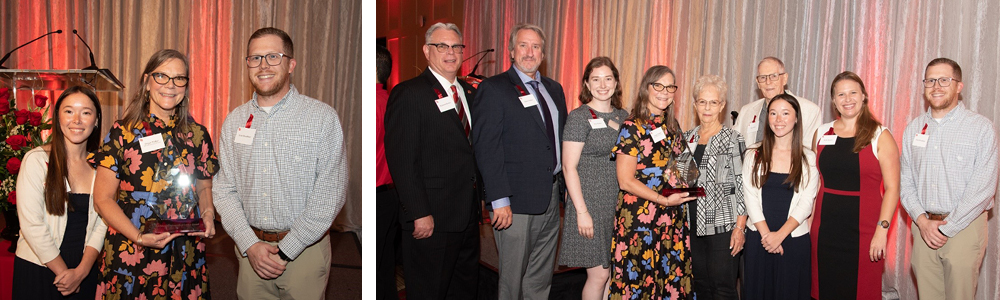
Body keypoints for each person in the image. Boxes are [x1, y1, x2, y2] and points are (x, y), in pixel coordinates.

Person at [213, 27, 347, 299]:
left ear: (291, 64)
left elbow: (329, 194)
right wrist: (250, 244)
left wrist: (287, 249)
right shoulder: (234, 122)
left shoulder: (321, 118)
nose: (263, 65)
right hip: (251, 252)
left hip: (305, 253)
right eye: (255, 58)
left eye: (273, 56)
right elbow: (224, 190)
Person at [92, 49, 217, 299]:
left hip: (184, 247)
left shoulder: (199, 135)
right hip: (132, 244)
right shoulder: (122, 133)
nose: (170, 86)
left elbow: (203, 187)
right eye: (162, 76)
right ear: (147, 82)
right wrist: (138, 237)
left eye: (179, 78)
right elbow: (102, 199)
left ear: (186, 86)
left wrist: (209, 213)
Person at [384, 22, 481, 299]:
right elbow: (402, 160)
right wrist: (418, 212)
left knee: (463, 290)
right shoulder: (410, 93)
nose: (450, 53)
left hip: (467, 217)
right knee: (429, 292)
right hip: (431, 219)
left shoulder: (469, 93)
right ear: (427, 51)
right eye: (442, 46)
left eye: (456, 46)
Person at [471, 23, 567, 299]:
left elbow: (557, 140)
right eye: (523, 45)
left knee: (540, 277)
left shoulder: (554, 89)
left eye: (536, 46)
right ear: (511, 51)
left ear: (543, 54)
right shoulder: (494, 88)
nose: (529, 52)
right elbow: (486, 147)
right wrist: (499, 199)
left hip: (550, 196)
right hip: (513, 201)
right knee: (512, 280)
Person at [900, 58, 998, 300]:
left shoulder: (981, 128)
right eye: (930, 80)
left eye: (944, 80)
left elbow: (983, 188)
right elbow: (906, 182)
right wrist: (922, 222)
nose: (936, 86)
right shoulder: (913, 129)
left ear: (959, 86)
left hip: (963, 227)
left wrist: (949, 227)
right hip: (923, 229)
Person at [609, 65, 696, 299]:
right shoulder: (632, 126)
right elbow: (625, 181)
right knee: (639, 280)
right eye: (658, 85)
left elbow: (682, 168)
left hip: (671, 218)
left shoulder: (672, 126)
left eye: (670, 87)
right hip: (640, 219)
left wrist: (686, 184)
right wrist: (662, 200)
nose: (665, 92)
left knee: (668, 279)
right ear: (646, 88)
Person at [810, 71, 900, 300]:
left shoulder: (881, 135)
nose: (847, 99)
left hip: (865, 230)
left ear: (864, 97)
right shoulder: (821, 133)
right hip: (824, 228)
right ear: (833, 101)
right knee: (824, 287)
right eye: (841, 94)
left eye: (853, 93)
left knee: (862, 290)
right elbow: (814, 182)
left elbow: (892, 188)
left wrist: (882, 230)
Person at [13, 86, 106, 299]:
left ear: (96, 120)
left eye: (86, 112)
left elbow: (103, 224)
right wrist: (65, 274)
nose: (77, 120)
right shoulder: (36, 160)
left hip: (84, 270)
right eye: (69, 111)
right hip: (40, 267)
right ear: (58, 117)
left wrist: (81, 272)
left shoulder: (101, 166)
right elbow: (31, 225)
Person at [556, 56, 627, 300]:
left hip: (617, 204)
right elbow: (568, 167)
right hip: (589, 205)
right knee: (598, 275)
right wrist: (582, 212)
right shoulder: (579, 117)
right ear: (586, 84)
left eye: (608, 78)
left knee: (612, 273)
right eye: (596, 79)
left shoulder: (624, 116)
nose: (603, 84)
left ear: (616, 82)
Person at [741, 93, 819, 300]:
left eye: (785, 113)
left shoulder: (808, 158)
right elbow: (750, 198)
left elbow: (806, 203)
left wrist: (779, 236)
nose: (779, 119)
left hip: (793, 239)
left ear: (796, 119)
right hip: (759, 237)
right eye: (773, 113)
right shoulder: (753, 154)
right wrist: (768, 236)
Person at [682, 75, 746, 300]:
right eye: (702, 101)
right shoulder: (687, 138)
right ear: (694, 104)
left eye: (713, 102)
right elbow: (680, 181)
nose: (707, 107)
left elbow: (741, 186)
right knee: (700, 286)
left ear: (722, 105)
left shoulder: (733, 139)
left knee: (723, 289)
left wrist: (740, 228)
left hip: (723, 227)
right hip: (691, 225)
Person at [734, 57, 822, 148]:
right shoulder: (746, 111)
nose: (768, 82)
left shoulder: (809, 111)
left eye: (774, 76)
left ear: (784, 78)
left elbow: (809, 153)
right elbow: (735, 148)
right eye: (763, 77)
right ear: (758, 83)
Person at [375, 43, 400, 300]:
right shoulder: (390, 99)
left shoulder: (374, 102)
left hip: (378, 194)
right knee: (384, 267)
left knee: (377, 268)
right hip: (390, 196)